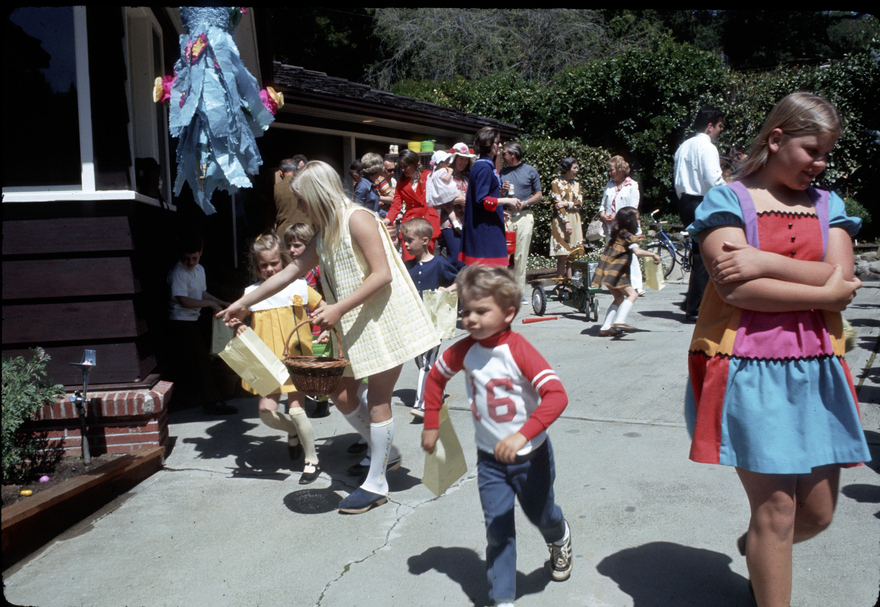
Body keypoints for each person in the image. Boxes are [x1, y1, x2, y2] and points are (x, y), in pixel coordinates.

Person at [685, 93, 868, 607]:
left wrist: (764, 262)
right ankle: (767, 547)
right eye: (812, 150)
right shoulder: (726, 201)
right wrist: (824, 289)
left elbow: (843, 280)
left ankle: (758, 548)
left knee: (818, 514)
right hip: (749, 368)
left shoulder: (830, 205)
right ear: (777, 138)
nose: (820, 163)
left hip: (819, 367)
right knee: (778, 513)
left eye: (826, 153)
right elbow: (736, 290)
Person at [221, 161, 439, 514]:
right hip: (357, 324)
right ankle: (387, 453)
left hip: (385, 322)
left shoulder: (358, 219)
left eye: (301, 199)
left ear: (317, 194)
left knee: (379, 402)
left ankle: (377, 482)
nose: (299, 207)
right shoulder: (325, 233)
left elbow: (382, 274)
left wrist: (337, 309)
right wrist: (243, 303)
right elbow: (291, 272)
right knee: (340, 393)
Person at [421, 266, 572, 607]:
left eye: (480, 311)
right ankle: (503, 598)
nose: (470, 319)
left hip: (531, 457)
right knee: (497, 529)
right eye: (465, 312)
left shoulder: (518, 350)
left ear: (508, 314)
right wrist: (431, 422)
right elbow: (435, 378)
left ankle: (559, 535)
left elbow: (556, 395)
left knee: (541, 515)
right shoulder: (463, 350)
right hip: (489, 460)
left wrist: (522, 435)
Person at [231, 231, 323, 484]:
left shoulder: (298, 287)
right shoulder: (252, 293)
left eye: (274, 263)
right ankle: (293, 433)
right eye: (264, 265)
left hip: (296, 356)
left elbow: (322, 307)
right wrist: (238, 325)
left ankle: (312, 459)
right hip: (265, 361)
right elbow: (234, 317)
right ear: (256, 266)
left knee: (296, 409)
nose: (270, 269)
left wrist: (324, 326)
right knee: (266, 412)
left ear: (283, 260)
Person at [166, 231, 237, 415]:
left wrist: (220, 302)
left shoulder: (199, 270)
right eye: (186, 258)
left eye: (194, 258)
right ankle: (212, 401)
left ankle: (194, 398)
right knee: (202, 361)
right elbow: (184, 300)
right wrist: (211, 305)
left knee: (198, 360)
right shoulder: (178, 273)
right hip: (180, 322)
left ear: (201, 252)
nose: (190, 262)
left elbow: (202, 294)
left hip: (193, 320)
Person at [400, 218, 458, 418]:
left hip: (434, 321)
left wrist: (447, 289)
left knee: (426, 361)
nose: (406, 245)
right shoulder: (407, 266)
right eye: (404, 241)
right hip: (414, 321)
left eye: (410, 240)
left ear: (425, 240)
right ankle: (436, 390)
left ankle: (424, 404)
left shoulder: (439, 264)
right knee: (421, 361)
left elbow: (460, 280)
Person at [673, 105, 726, 322]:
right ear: (710, 126)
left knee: (699, 253)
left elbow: (678, 181)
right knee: (706, 255)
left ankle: (695, 305)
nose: (721, 130)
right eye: (720, 126)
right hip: (701, 201)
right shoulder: (708, 147)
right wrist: (732, 194)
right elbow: (714, 180)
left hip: (685, 201)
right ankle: (698, 308)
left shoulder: (683, 146)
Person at [283, 223, 330, 419]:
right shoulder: (289, 270)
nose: (292, 250)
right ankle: (307, 396)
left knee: (318, 364)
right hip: (297, 324)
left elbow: (326, 296)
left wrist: (327, 326)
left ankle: (322, 401)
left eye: (297, 245)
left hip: (316, 323)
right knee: (304, 363)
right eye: (289, 245)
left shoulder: (316, 269)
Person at [590, 207, 661, 335]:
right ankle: (620, 321)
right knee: (633, 295)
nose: (639, 221)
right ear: (630, 221)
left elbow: (625, 243)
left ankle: (605, 328)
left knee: (618, 298)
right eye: (637, 219)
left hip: (606, 272)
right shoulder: (628, 236)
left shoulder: (617, 233)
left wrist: (635, 238)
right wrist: (653, 255)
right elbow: (637, 252)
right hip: (616, 272)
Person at [461, 128, 521, 266]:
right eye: (497, 142)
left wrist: (499, 210)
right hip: (484, 232)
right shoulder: (484, 167)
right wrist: (507, 200)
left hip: (486, 225)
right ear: (488, 144)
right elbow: (481, 200)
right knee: (488, 271)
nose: (500, 145)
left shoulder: (483, 165)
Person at [500, 142, 543, 299]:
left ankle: (519, 293)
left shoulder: (530, 171)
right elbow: (495, 196)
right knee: (503, 255)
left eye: (504, 153)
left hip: (524, 215)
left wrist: (525, 203)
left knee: (520, 255)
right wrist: (502, 191)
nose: (502, 156)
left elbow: (539, 195)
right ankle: (502, 291)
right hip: (506, 215)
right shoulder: (502, 172)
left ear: (513, 154)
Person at [384, 149, 441, 262]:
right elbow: (396, 204)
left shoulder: (429, 176)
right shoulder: (401, 182)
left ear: (414, 163)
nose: (403, 170)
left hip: (428, 221)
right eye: (401, 167)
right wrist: (388, 219)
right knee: (409, 261)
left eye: (405, 166)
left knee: (427, 260)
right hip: (410, 223)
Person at [599, 155, 644, 294]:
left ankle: (636, 285)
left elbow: (632, 208)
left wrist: (617, 219)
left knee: (630, 253)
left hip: (626, 226)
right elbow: (602, 204)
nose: (610, 172)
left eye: (612, 170)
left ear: (620, 170)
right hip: (611, 227)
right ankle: (617, 284)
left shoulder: (632, 185)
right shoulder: (609, 185)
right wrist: (603, 214)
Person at [439, 142, 475, 270]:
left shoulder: (467, 177)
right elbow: (438, 201)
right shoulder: (445, 175)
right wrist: (457, 201)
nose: (464, 162)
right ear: (454, 159)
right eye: (461, 158)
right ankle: (453, 282)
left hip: (466, 222)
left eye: (466, 159)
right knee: (456, 260)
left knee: (468, 260)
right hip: (450, 224)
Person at [548, 158, 583, 281]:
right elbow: (558, 205)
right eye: (574, 168)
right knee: (562, 255)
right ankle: (560, 283)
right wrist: (567, 222)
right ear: (567, 169)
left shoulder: (576, 184)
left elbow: (580, 203)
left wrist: (566, 203)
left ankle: (571, 282)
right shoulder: (556, 183)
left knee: (573, 254)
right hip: (561, 220)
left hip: (575, 218)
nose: (577, 170)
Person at [275, 157, 310, 237]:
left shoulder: (276, 188)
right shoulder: (307, 186)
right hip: (306, 232)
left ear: (280, 172)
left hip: (284, 234)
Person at [361, 152, 393, 218]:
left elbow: (392, 199)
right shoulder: (361, 183)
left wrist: (376, 197)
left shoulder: (380, 179)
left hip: (381, 214)